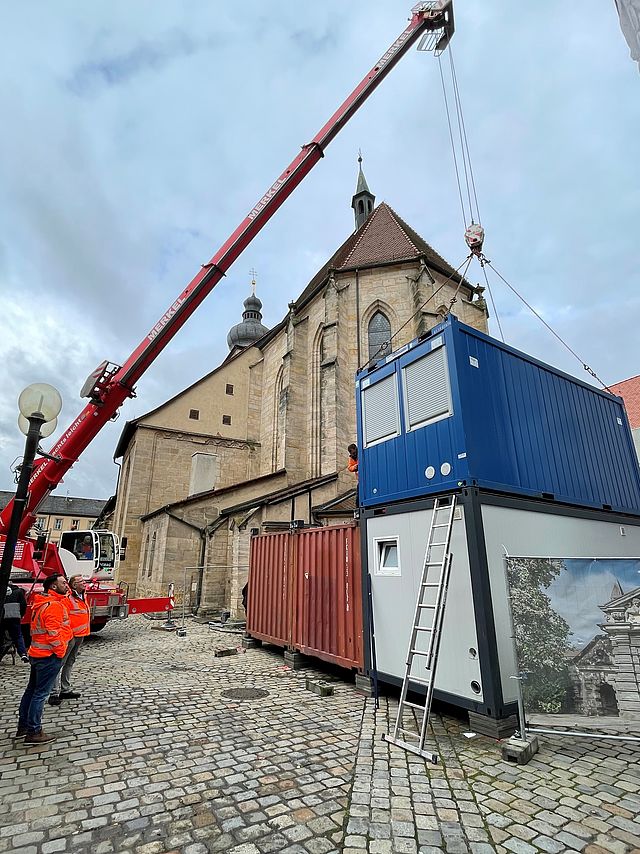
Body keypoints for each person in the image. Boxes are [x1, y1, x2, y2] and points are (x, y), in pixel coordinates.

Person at [16, 574, 71, 745]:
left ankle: (24, 725)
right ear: (53, 587)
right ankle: (34, 731)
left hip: (37, 654)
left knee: (31, 691)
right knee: (40, 694)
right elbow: (53, 633)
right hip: (49, 656)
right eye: (63, 583)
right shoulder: (53, 606)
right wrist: (61, 652)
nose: (66, 585)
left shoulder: (42, 602)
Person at [49, 575, 90, 706]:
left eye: (84, 581)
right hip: (70, 636)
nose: (84, 583)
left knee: (70, 662)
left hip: (80, 635)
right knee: (59, 663)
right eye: (80, 581)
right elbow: (63, 618)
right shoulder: (68, 598)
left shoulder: (83, 596)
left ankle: (65, 689)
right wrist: (67, 636)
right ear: (73, 585)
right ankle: (54, 693)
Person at [3, 582, 29, 663]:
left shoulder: (2, 590)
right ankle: (23, 653)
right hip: (15, 616)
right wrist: (21, 614)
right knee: (18, 636)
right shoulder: (18, 591)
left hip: (2, 617)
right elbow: (23, 604)